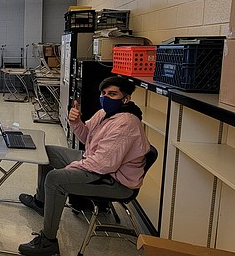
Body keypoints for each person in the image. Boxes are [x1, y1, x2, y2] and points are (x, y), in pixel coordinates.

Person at [17, 76, 150, 256]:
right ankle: (42, 202)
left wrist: (71, 168)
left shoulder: (125, 123)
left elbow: (102, 165)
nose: (105, 97)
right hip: (96, 162)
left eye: (112, 94)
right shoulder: (105, 114)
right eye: (103, 93)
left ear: (126, 98)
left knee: (56, 179)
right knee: (46, 153)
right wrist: (76, 122)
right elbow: (87, 138)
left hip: (114, 180)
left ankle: (48, 241)